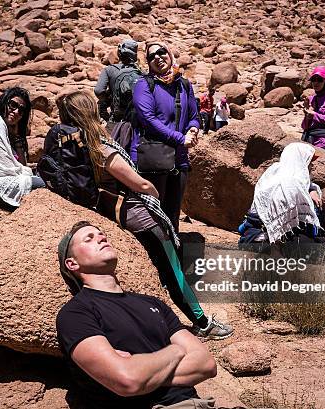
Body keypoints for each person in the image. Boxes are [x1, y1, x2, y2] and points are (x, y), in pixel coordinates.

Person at [47, 90, 232, 339]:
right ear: (89, 112)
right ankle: (202, 322)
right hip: (139, 216)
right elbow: (140, 184)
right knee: (174, 271)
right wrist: (154, 193)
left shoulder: (78, 145)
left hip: (115, 212)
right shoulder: (100, 147)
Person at [56, 220, 221, 409]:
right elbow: (128, 381)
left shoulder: (153, 303)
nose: (101, 237)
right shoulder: (75, 314)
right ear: (72, 263)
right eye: (89, 239)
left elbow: (206, 364)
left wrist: (142, 370)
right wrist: (177, 351)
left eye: (101, 234)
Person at [131, 41, 200, 231]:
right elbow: (149, 120)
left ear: (170, 54)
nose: (158, 58)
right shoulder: (143, 85)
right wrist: (180, 138)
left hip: (179, 160)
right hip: (153, 159)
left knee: (172, 215)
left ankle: (172, 257)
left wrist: (193, 130)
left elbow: (194, 116)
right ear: (148, 62)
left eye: (161, 52)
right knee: (152, 216)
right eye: (152, 56)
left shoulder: (184, 85)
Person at [238, 143, 325, 247]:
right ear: (300, 161)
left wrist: (312, 189)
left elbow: (306, 185)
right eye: (309, 162)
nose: (312, 166)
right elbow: (277, 223)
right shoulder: (288, 186)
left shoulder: (276, 172)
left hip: (253, 236)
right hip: (266, 239)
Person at [94, 39, 140, 132]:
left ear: (119, 53)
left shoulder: (109, 70)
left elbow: (98, 91)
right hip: (138, 119)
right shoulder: (141, 72)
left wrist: (109, 98)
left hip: (117, 120)